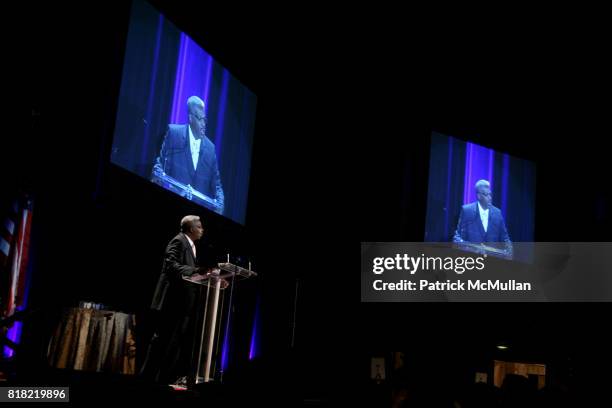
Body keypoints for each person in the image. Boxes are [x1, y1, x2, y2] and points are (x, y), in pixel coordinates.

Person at [140, 215, 226, 387]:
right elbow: (170, 265)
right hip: (171, 301)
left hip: (183, 303)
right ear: (191, 228)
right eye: (200, 226)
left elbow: (187, 270)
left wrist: (205, 275)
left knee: (174, 343)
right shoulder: (178, 241)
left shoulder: (192, 245)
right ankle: (147, 380)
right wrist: (196, 270)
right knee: (162, 341)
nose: (202, 230)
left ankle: (162, 380)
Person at [152, 96, 224, 214]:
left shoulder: (210, 149)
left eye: (205, 119)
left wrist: (220, 203)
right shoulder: (174, 133)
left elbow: (217, 185)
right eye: (200, 119)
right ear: (190, 118)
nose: (204, 124)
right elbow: (159, 167)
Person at [453, 179, 513, 255]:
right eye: (486, 195)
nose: (490, 198)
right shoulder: (467, 211)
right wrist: (472, 249)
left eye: (490, 194)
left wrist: (509, 248)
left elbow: (505, 238)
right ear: (479, 196)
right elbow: (457, 239)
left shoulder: (497, 213)